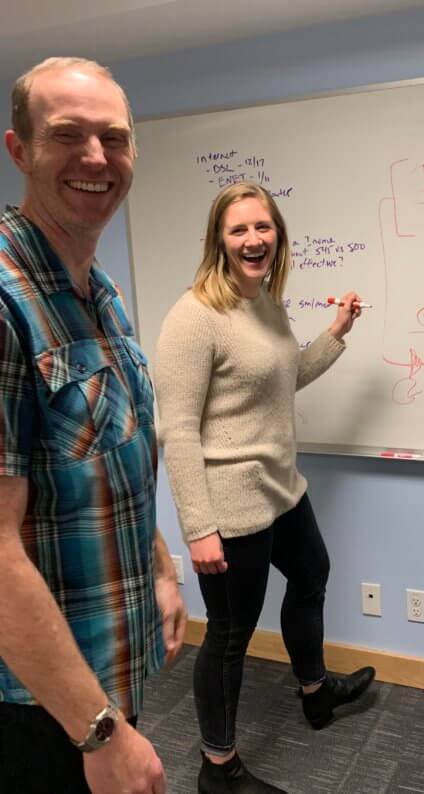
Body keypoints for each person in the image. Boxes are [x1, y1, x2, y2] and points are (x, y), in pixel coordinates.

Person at [0, 57, 187, 793]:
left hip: (104, 665)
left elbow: (114, 453)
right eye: (67, 135)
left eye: (114, 138)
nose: (96, 158)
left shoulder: (98, 288)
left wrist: (162, 565)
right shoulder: (6, 303)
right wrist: (98, 730)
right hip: (35, 704)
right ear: (18, 149)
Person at [154, 181, 375, 793]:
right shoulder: (195, 317)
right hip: (230, 506)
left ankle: (314, 691)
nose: (253, 240)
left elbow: (283, 377)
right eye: (238, 230)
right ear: (218, 241)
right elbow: (176, 429)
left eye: (263, 228)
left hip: (282, 488)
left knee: (311, 576)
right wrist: (198, 528)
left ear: (278, 235)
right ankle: (217, 767)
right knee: (229, 636)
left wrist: (337, 332)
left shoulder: (266, 303)